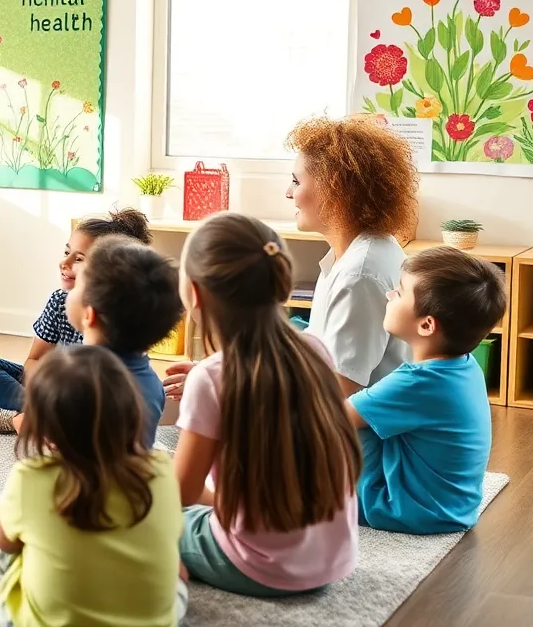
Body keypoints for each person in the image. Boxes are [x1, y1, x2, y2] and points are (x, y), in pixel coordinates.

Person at [173, 212, 361, 597]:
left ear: (194, 293)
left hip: (259, 566)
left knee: (136, 506)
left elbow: (181, 495)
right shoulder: (315, 349)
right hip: (332, 560)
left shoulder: (209, 378)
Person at [0, 345, 186, 627]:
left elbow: (5, 543)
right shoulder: (161, 469)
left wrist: (0, 516)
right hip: (153, 622)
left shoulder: (31, 476)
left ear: (45, 428)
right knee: (176, 577)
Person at [346, 246, 505, 534]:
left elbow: (336, 417)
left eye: (400, 292)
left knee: (344, 419)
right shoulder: (465, 365)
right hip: (451, 508)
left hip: (406, 510)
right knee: (368, 409)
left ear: (427, 324)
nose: (389, 295)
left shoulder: (418, 382)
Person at [0, 207, 153, 432]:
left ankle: (22, 420)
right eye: (66, 253)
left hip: (95, 398)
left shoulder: (124, 316)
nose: (65, 263)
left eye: (79, 258)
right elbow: (34, 360)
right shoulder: (59, 301)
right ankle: (38, 415)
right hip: (52, 386)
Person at [287, 117, 418, 395]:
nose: (289, 193)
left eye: (296, 182)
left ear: (334, 190)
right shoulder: (355, 253)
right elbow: (319, 350)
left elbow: (340, 386)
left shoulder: (359, 272)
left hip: (354, 432)